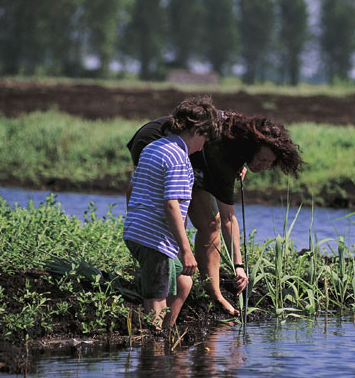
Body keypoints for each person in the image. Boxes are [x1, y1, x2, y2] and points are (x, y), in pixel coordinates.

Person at [127, 110, 304, 316]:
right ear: (251, 148)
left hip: (200, 154)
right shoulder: (222, 157)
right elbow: (229, 217)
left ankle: (213, 292)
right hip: (159, 138)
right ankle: (162, 267)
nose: (264, 166)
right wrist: (238, 265)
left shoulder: (237, 143)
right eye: (262, 159)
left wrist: (240, 163)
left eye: (269, 163)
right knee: (176, 214)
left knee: (211, 224)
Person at [123, 96, 221, 329]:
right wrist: (186, 250)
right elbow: (171, 205)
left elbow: (131, 188)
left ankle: (165, 335)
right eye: (205, 139)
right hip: (154, 240)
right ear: (197, 130)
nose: (203, 146)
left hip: (138, 233)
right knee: (156, 300)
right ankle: (153, 347)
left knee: (183, 282)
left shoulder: (153, 146)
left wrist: (136, 221)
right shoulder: (178, 158)